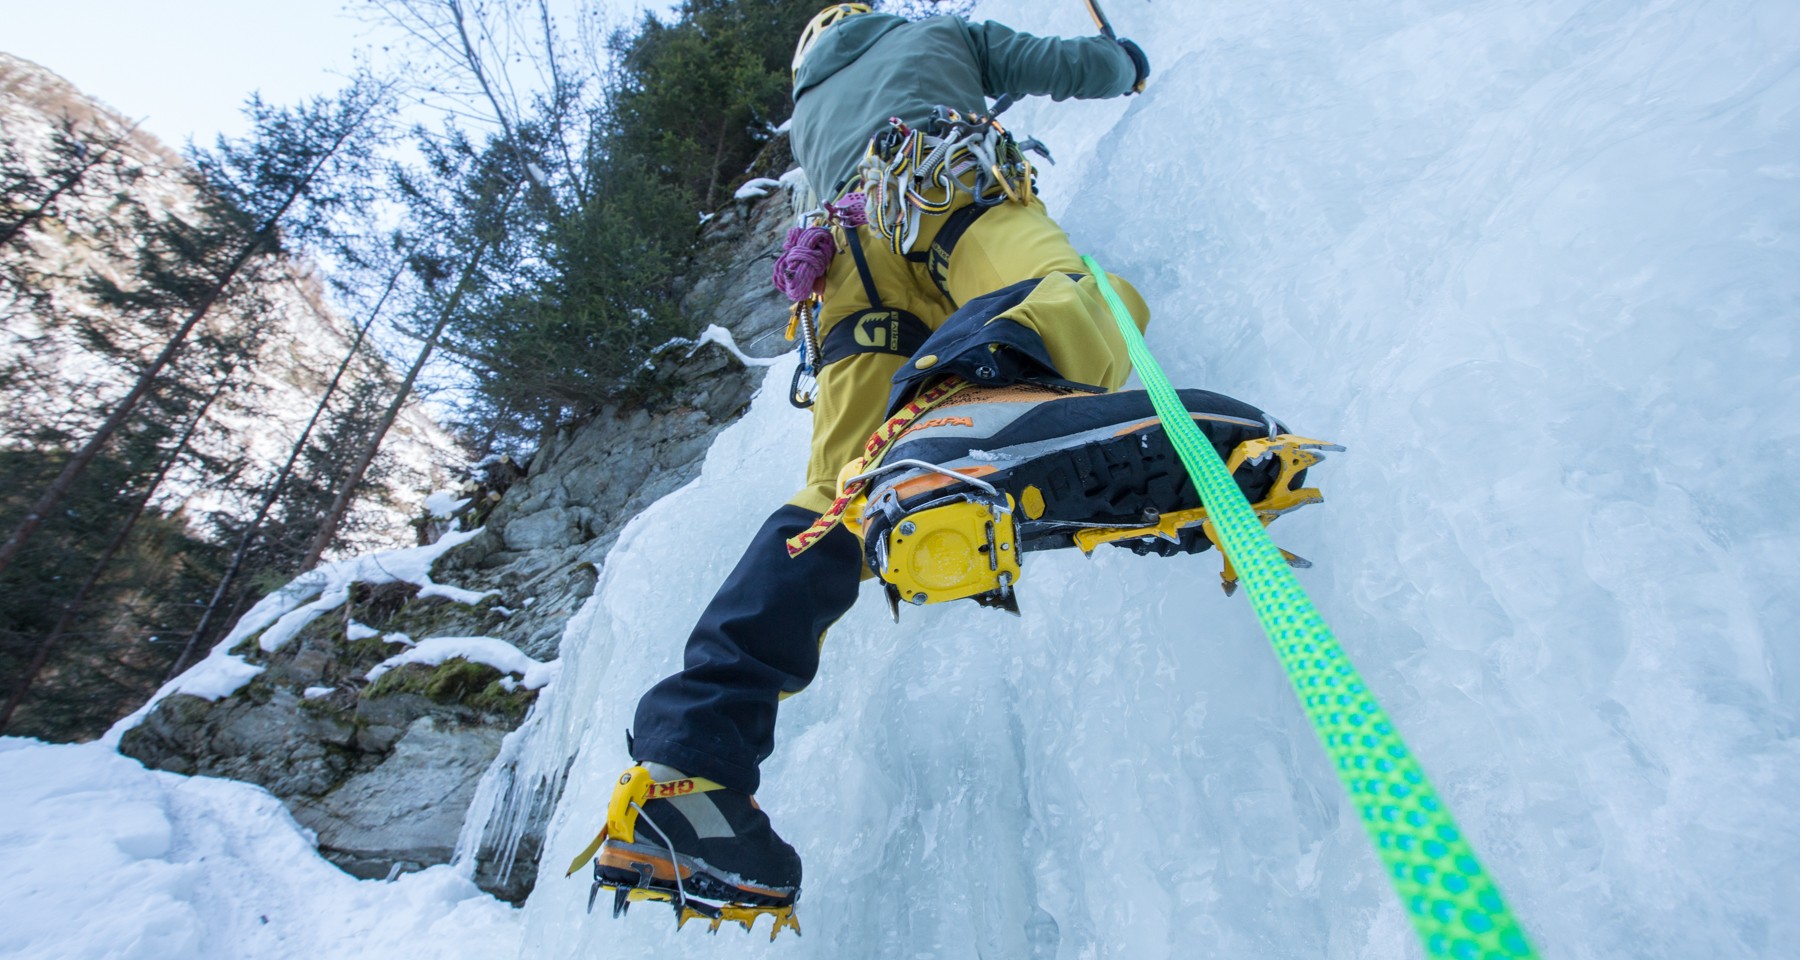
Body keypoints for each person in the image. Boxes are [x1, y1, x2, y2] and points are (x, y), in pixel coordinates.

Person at [581, 4, 1156, 926]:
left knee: (834, 495)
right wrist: (1121, 61)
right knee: (1083, 300)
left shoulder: (810, 105)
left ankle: (690, 769)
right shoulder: (936, 32)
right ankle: (977, 415)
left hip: (844, 268)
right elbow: (1053, 62)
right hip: (942, 182)